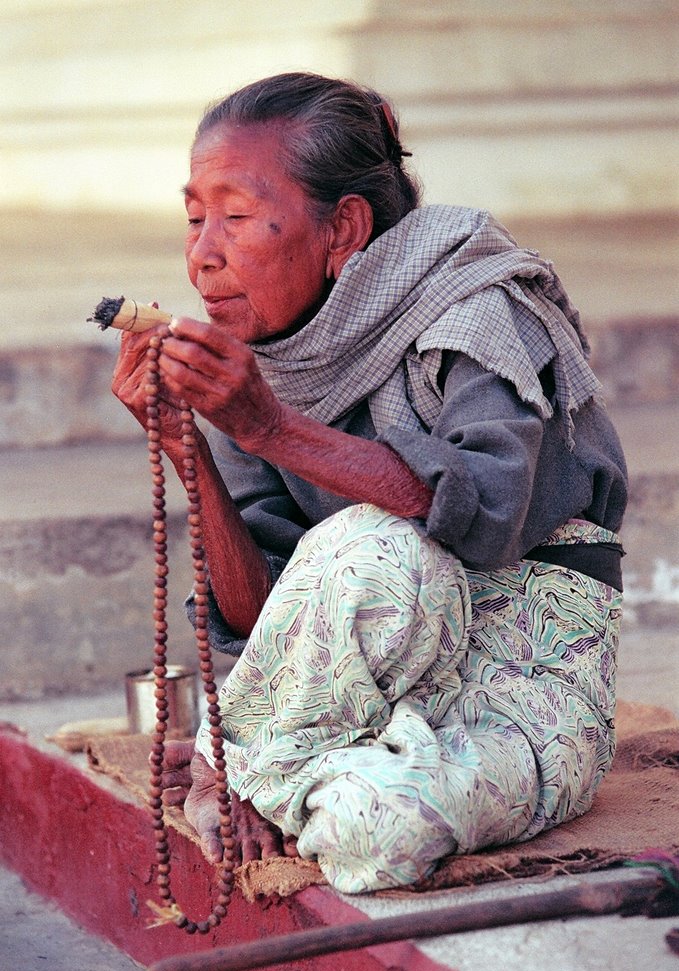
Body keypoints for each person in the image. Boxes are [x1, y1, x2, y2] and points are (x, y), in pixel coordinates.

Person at [112, 71, 627, 895]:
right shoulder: (269, 367)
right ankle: (267, 767)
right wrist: (191, 447)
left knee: (372, 826)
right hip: (361, 700)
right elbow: (268, 615)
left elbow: (487, 513)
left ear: (343, 229)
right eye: (194, 218)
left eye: (236, 217)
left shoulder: (477, 308)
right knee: (361, 554)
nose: (203, 254)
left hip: (519, 691)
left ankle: (243, 770)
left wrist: (269, 428)